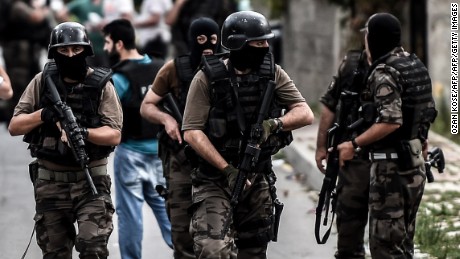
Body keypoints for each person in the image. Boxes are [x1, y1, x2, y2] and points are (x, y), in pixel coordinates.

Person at [181, 10, 314, 258]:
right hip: (215, 179)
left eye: (266, 41)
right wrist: (227, 170)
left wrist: (273, 125)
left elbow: (305, 113)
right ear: (237, 44)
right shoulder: (207, 77)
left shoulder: (272, 73)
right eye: (258, 43)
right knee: (213, 249)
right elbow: (192, 132)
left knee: (254, 250)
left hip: (258, 175)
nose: (265, 47)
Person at [8, 21, 122, 258]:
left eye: (76, 50)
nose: (70, 55)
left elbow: (114, 133)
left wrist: (83, 133)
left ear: (86, 51)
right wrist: (45, 115)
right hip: (51, 183)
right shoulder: (41, 81)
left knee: (93, 246)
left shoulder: (101, 85)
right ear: (54, 52)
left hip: (91, 181)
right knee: (55, 253)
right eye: (64, 50)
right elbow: (15, 126)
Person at [337, 13, 437, 259]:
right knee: (403, 245)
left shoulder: (384, 72)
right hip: (414, 166)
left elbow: (391, 121)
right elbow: (427, 111)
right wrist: (421, 138)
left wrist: (353, 144)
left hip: (390, 171)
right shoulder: (414, 63)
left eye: (367, 36)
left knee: (385, 247)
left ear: (374, 38)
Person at [140, 17, 220, 259]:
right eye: (202, 39)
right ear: (192, 40)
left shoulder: (227, 64)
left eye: (214, 40)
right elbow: (147, 106)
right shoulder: (174, 69)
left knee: (220, 236)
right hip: (182, 160)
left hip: (219, 157)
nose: (208, 46)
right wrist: (167, 120)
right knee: (182, 234)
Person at [102, 18, 173, 258]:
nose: (104, 48)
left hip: (131, 154)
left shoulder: (118, 78)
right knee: (170, 213)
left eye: (107, 42)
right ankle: (190, 252)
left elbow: (106, 117)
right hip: (162, 154)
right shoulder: (161, 67)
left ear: (119, 44)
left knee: (130, 216)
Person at [315, 49, 371, 258]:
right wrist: (322, 147)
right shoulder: (352, 64)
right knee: (348, 234)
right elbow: (330, 104)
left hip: (387, 160)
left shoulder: (400, 66)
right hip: (352, 159)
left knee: (386, 239)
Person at [0, 0, 53, 124]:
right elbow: (36, 17)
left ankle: (24, 116)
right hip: (18, 51)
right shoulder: (16, 5)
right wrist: (45, 8)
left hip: (25, 50)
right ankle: (15, 117)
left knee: (29, 82)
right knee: (19, 83)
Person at [165, 0, 236, 56]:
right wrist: (179, 4)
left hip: (210, 51)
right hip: (183, 48)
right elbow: (169, 21)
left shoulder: (216, 3)